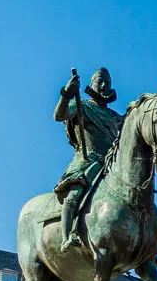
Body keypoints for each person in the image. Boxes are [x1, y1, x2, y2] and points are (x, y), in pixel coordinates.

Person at [52, 67, 124, 249]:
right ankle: (67, 236)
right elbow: (59, 116)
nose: (103, 85)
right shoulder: (82, 106)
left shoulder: (116, 118)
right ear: (92, 84)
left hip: (112, 167)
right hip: (88, 160)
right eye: (100, 81)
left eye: (107, 83)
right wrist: (66, 94)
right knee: (74, 195)